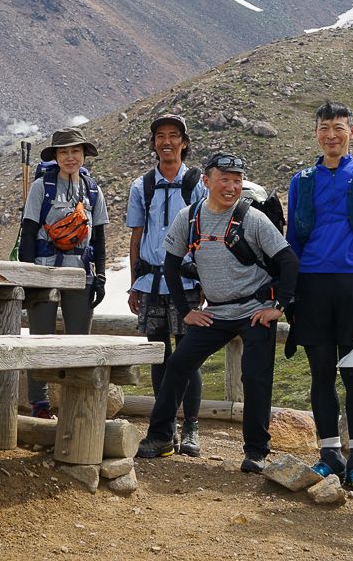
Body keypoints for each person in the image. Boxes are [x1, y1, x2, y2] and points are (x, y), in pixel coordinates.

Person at [136, 153, 299, 473]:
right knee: (179, 363)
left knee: (255, 377)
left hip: (254, 310)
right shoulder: (190, 216)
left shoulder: (253, 218)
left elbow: (289, 261)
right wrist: (187, 311)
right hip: (216, 312)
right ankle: (161, 437)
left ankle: (256, 451)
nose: (231, 186)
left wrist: (277, 307)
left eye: (237, 180)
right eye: (224, 179)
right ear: (207, 181)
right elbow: (170, 264)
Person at [285, 102, 353, 493]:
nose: (332, 134)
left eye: (339, 128)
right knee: (320, 374)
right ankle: (330, 453)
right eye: (325, 127)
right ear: (316, 133)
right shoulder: (302, 179)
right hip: (312, 283)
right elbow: (292, 240)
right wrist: (290, 293)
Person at [126, 114, 207, 456]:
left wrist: (206, 282)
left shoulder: (198, 184)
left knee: (188, 356)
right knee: (159, 355)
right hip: (150, 282)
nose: (167, 141)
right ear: (154, 143)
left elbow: (205, 235)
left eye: (174, 135)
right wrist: (134, 284)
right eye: (161, 136)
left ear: (184, 142)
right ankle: (164, 428)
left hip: (186, 282)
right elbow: (136, 236)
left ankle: (190, 427)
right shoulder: (141, 186)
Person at [20, 126, 109, 419]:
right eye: (64, 152)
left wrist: (101, 276)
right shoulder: (40, 188)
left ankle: (76, 403)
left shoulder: (93, 190)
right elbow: (29, 233)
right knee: (41, 339)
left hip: (80, 272)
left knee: (79, 340)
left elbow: (99, 237)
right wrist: (29, 277)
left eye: (75, 151)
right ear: (56, 156)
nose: (70, 157)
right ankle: (40, 405)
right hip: (44, 272)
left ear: (84, 154)